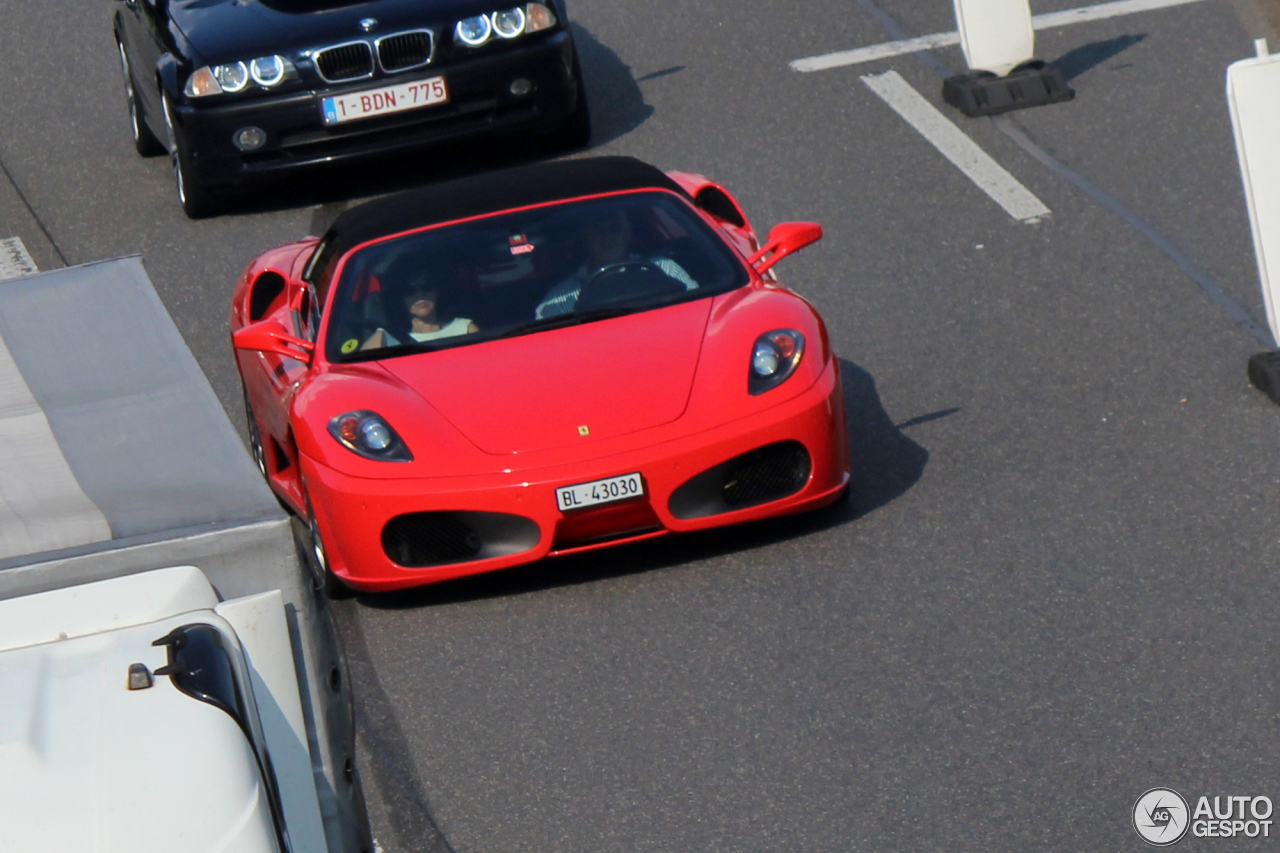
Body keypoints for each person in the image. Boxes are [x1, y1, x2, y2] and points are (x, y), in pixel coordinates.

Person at [534, 206, 697, 319]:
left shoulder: (665, 269)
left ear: (628, 232)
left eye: (614, 228)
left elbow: (698, 310)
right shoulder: (558, 301)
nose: (608, 238)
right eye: (598, 230)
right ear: (585, 237)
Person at [361, 282, 478, 350]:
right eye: (409, 289)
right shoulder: (387, 336)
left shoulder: (465, 328)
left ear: (438, 291)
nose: (420, 295)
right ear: (398, 298)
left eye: (427, 286)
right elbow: (363, 372)